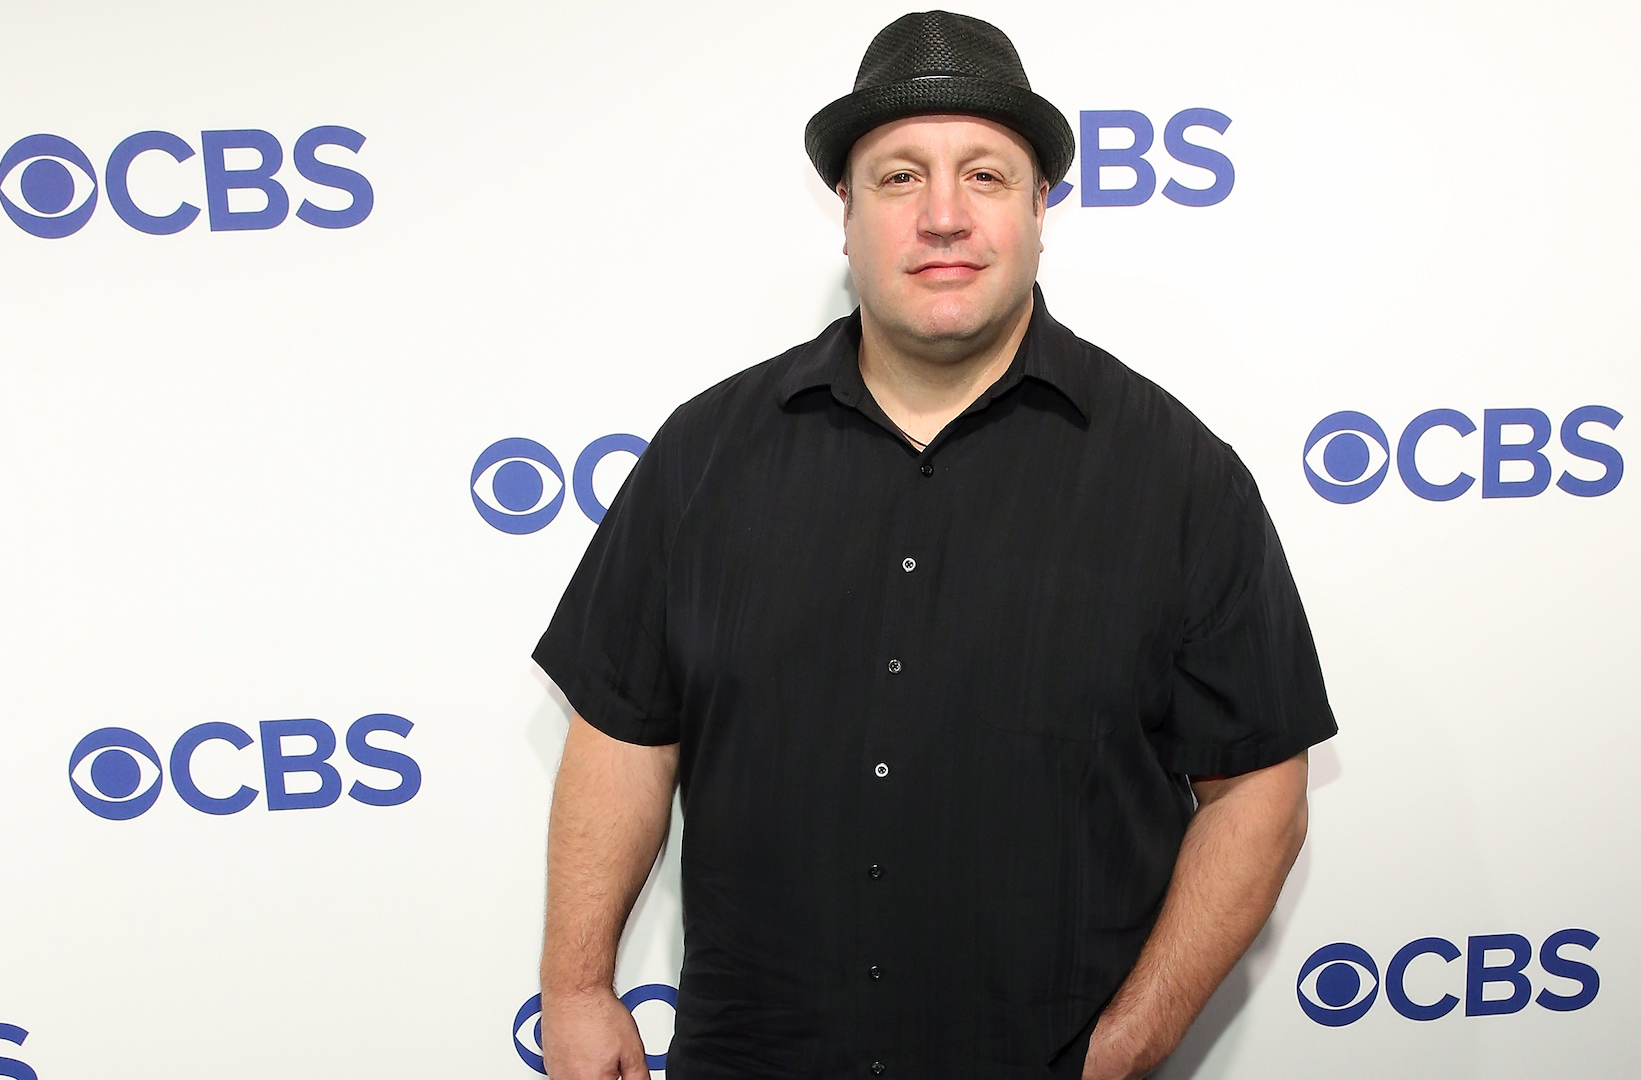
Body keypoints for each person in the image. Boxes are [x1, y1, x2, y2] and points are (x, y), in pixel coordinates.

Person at [533, 11, 1337, 1079]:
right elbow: (623, 736)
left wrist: (1129, 1043)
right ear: (848, 212)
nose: (944, 216)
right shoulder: (703, 459)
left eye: (988, 177)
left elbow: (1258, 794)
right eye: (901, 177)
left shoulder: (1179, 477)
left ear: (1044, 207)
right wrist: (580, 986)